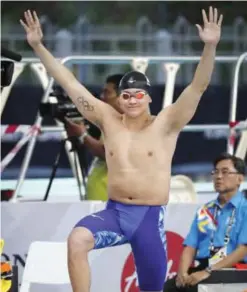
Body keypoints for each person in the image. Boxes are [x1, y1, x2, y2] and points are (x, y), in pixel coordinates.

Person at [20, 7, 223, 292]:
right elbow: (69, 82)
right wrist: (38, 46)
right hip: (114, 214)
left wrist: (210, 46)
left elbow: (198, 87)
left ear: (149, 97)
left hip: (149, 219)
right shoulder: (108, 120)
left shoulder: (166, 124)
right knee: (77, 239)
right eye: (125, 95)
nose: (131, 100)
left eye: (138, 95)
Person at [163, 153, 247, 292]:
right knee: (171, 287)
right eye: (215, 172)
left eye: (225, 172)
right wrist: (182, 273)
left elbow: (242, 250)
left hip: (233, 269)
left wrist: (209, 271)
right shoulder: (205, 210)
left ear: (239, 178)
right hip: (205, 266)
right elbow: (190, 246)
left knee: (195, 288)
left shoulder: (244, 209)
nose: (218, 176)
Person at [65, 74, 124, 201]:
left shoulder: (128, 123)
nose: (102, 98)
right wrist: (79, 135)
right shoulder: (112, 121)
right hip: (101, 198)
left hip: (109, 202)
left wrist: (82, 135)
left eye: (107, 93)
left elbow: (107, 154)